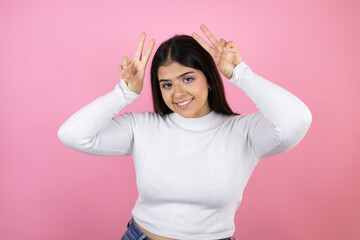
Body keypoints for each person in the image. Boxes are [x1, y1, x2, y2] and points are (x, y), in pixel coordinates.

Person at [57, 24, 312, 240]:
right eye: (166, 84)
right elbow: (72, 134)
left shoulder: (244, 132)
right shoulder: (141, 126)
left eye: (187, 78)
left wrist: (240, 73)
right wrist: (124, 92)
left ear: (209, 79)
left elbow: (297, 120)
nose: (177, 94)